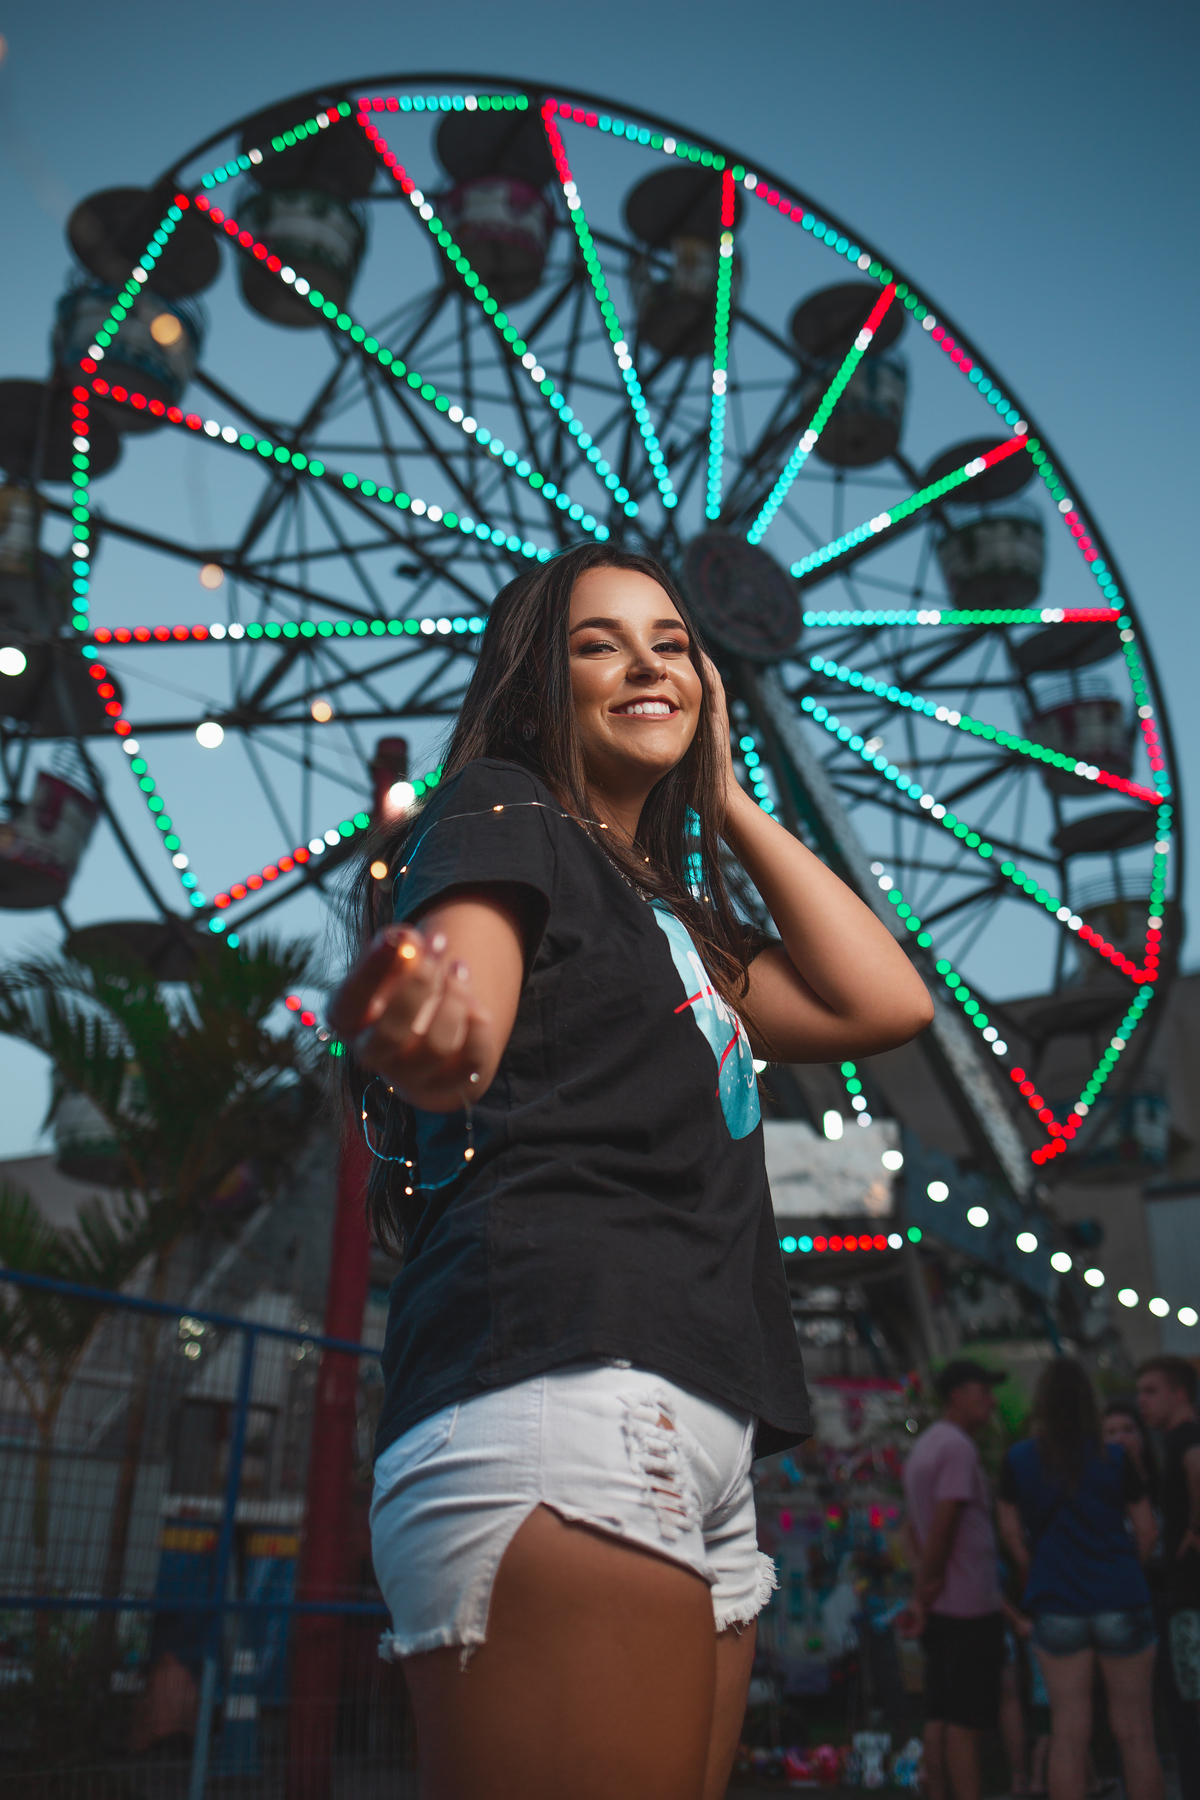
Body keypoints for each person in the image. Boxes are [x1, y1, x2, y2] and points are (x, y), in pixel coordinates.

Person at [329, 544, 934, 1800]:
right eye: (600, 642)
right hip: (566, 1389)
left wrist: (730, 799)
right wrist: (443, 1033)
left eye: (672, 641)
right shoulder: (502, 806)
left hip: (698, 1429)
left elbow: (890, 1003)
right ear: (537, 685)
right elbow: (469, 994)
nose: (649, 662)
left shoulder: (687, 930)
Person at [997, 1358, 1159, 1800]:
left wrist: (1035, 1567)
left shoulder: (1019, 1459)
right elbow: (1146, 1528)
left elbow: (1010, 1530)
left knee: (1069, 1733)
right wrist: (1126, 1569)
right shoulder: (1113, 1456)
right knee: (1136, 1732)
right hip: (1121, 1598)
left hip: (1057, 1604)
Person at [901, 1359, 1008, 1800]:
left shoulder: (926, 1445)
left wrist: (923, 1591)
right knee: (965, 1724)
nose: (990, 1400)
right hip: (968, 1605)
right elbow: (944, 1522)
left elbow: (912, 1528)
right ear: (955, 1395)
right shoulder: (958, 1449)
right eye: (981, 1389)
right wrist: (928, 1585)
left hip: (946, 1604)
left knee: (940, 1716)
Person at [1137, 1356, 1200, 1800]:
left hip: (1191, 1597)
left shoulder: (1186, 1438)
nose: (1141, 1401)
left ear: (1179, 1394)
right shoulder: (1174, 1442)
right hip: (1185, 1593)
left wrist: (1195, 1530)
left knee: (1193, 1700)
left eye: (1150, 1390)